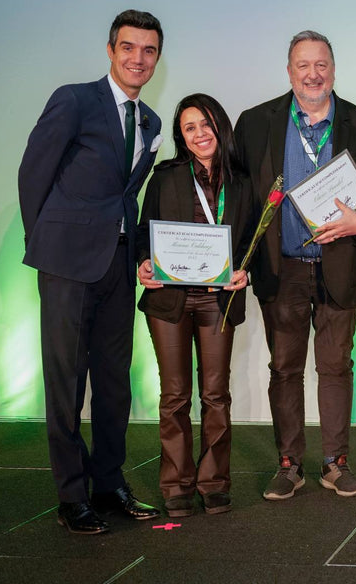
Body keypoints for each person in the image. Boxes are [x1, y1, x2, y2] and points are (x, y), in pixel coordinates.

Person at [234, 31, 356, 500]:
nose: (313, 74)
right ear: (289, 71)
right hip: (281, 268)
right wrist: (235, 258)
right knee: (284, 368)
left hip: (340, 267)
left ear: (333, 69)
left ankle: (335, 463)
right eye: (303, 65)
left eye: (321, 65)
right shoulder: (255, 123)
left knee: (335, 367)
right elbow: (238, 197)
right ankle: (289, 465)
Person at [18, 9, 164, 534]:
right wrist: (48, 243)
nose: (138, 58)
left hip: (118, 268)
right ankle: (71, 496)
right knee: (66, 385)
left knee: (114, 384)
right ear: (110, 50)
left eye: (149, 50)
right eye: (128, 47)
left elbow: (128, 198)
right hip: (68, 266)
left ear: (157, 58)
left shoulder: (151, 123)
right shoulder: (75, 99)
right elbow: (33, 174)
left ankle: (108, 484)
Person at [136, 94, 255, 517]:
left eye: (205, 124)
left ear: (219, 126)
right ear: (181, 136)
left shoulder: (243, 182)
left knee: (216, 394)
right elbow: (143, 232)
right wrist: (143, 262)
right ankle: (176, 485)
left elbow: (252, 241)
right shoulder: (165, 177)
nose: (199, 134)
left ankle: (215, 482)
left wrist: (245, 270)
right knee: (174, 396)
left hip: (218, 301)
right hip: (168, 301)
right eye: (189, 128)